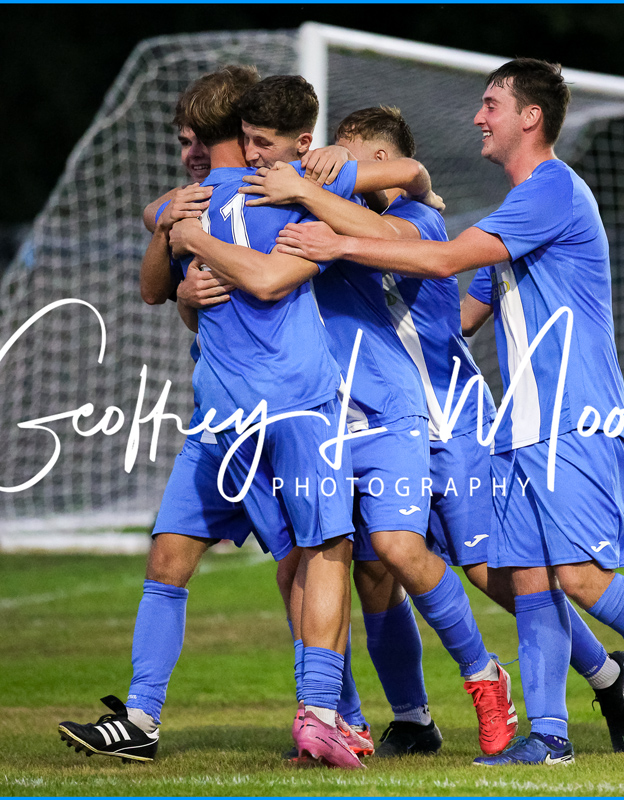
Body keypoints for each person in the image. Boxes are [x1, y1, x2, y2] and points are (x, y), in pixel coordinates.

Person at [274, 58, 624, 765]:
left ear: (530, 117)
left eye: (491, 104)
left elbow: (442, 256)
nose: (477, 117)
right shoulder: (518, 213)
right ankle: (548, 735)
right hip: (518, 422)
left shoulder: (551, 191)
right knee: (526, 577)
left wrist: (339, 243)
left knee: (578, 576)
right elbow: (460, 313)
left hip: (574, 414)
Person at [176, 78, 518, 759]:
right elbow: (213, 281)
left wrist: (317, 183)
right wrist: (187, 285)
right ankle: (350, 718)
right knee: (313, 569)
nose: (253, 156)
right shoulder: (268, 202)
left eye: (265, 145)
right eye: (245, 143)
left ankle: (491, 678)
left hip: (400, 409)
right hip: (321, 418)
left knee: (405, 550)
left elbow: (411, 177)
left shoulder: (354, 205)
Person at [61, 65, 365, 770]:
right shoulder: (197, 200)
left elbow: (389, 180)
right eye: (183, 141)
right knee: (173, 556)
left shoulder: (291, 188)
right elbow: (151, 280)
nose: (190, 152)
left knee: (316, 558)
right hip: (223, 420)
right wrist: (179, 257)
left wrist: (337, 160)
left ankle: (330, 714)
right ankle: (141, 717)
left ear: (248, 138)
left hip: (297, 407)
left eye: (202, 139)